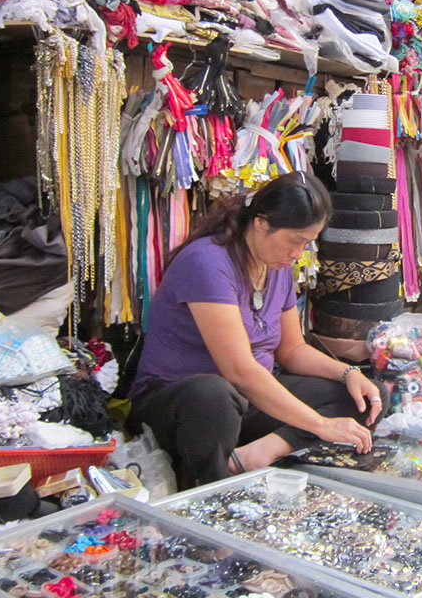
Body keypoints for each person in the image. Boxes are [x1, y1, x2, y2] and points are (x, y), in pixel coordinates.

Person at [128, 172, 385, 488]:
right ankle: (211, 485)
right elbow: (239, 371)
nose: (298, 254)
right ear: (261, 223)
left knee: (369, 396)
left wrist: (348, 374)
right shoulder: (207, 263)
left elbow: (292, 352)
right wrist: (320, 425)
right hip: (183, 407)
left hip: (247, 402)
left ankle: (255, 454)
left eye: (307, 243)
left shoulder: (278, 269)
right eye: (295, 241)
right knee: (213, 394)